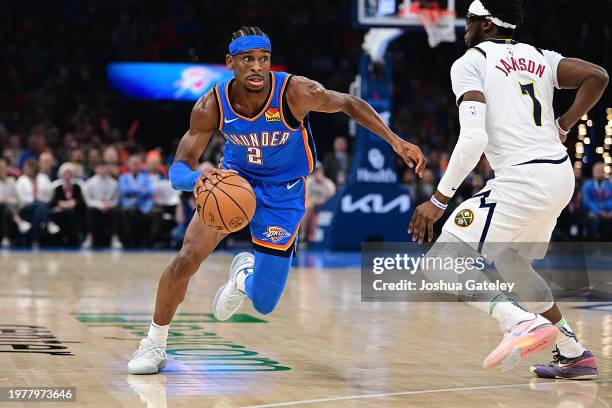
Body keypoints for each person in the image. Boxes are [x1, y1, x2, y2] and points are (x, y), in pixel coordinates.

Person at [127, 26, 425, 374]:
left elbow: (348, 103)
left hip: (284, 194)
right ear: (230, 63)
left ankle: (242, 277)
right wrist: (197, 178)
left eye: (263, 59)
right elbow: (179, 168)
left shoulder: (295, 92)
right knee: (186, 260)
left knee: (265, 303)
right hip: (233, 184)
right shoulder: (211, 104)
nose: (257, 67)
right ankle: (154, 343)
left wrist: (395, 141)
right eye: (248, 60)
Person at [408, 0, 607, 378]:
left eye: (469, 21)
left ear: (485, 25)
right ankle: (573, 351)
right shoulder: (541, 58)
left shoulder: (472, 62)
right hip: (559, 176)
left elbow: (473, 140)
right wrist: (564, 125)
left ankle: (516, 321)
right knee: (513, 263)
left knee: (439, 264)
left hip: (522, 179)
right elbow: (597, 76)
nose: (464, 27)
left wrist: (439, 199)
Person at [83, 162, 121, 248]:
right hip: (95, 207)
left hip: (109, 207)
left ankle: (114, 238)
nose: (102, 170)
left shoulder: (114, 183)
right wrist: (100, 205)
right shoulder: (89, 183)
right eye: (100, 168)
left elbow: (116, 200)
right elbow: (88, 200)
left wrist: (108, 204)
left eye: (104, 168)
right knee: (90, 211)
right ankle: (89, 238)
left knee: (115, 211)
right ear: (96, 169)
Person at [118, 155, 153, 248]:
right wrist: (139, 190)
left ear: (140, 165)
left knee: (148, 214)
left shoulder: (145, 177)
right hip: (128, 203)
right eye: (133, 164)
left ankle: (144, 240)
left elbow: (149, 191)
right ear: (128, 165)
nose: (135, 166)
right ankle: (128, 239)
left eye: (137, 164)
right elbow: (123, 190)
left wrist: (135, 192)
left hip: (142, 203)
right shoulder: (123, 177)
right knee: (127, 212)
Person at [49, 162, 87, 247]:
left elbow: (80, 200)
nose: (67, 176)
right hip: (61, 212)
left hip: (74, 211)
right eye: (65, 173)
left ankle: (74, 239)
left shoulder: (77, 186)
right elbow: (54, 201)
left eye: (69, 173)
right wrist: (63, 204)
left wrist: (73, 203)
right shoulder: (57, 187)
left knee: (76, 215)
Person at [300, 162, 336, 244]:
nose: (317, 173)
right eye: (316, 171)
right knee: (308, 207)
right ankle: (303, 237)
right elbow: (305, 196)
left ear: (322, 171)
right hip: (311, 205)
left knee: (309, 206)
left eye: (319, 170)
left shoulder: (328, 183)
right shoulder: (308, 181)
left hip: (326, 206)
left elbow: (332, 197)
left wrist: (323, 181)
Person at [582, 162, 612, 241]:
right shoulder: (587, 185)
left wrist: (610, 211)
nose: (599, 173)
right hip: (593, 212)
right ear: (593, 172)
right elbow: (587, 201)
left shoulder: (609, 185)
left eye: (601, 171)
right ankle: (595, 245)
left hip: (608, 211)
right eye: (597, 171)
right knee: (594, 219)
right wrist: (599, 212)